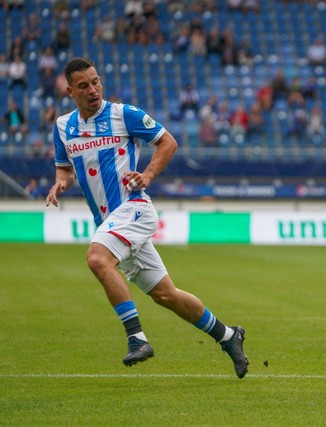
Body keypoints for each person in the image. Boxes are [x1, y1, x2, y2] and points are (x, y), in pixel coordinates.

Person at [45, 58, 248, 377]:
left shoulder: (123, 114)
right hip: (109, 222)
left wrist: (149, 173)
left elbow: (168, 141)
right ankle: (228, 335)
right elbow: (65, 168)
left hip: (134, 209)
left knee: (98, 259)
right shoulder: (62, 127)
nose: (93, 89)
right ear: (71, 91)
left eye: (96, 82)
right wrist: (60, 183)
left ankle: (136, 338)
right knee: (165, 294)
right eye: (84, 85)